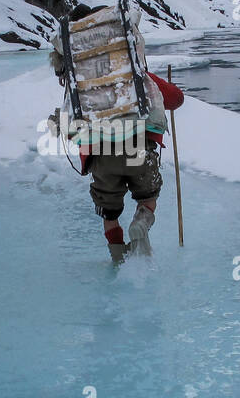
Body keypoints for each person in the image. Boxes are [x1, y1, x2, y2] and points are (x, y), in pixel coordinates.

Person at [48, 45, 184, 262]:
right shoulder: (135, 76)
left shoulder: (81, 88)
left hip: (101, 157)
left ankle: (118, 258)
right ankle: (141, 223)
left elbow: (66, 127)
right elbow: (176, 99)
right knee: (148, 198)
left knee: (109, 214)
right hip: (138, 147)